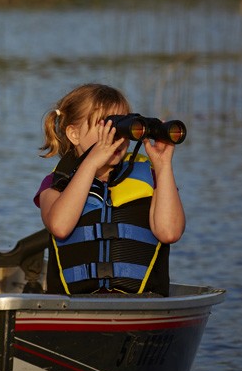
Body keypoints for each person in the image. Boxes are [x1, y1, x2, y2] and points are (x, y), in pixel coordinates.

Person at [34, 83, 185, 296]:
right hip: (75, 308)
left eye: (123, 125)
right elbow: (60, 226)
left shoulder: (151, 176)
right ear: (74, 134)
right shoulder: (57, 182)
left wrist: (163, 166)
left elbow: (169, 232)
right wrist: (91, 164)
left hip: (142, 306)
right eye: (105, 125)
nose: (116, 135)